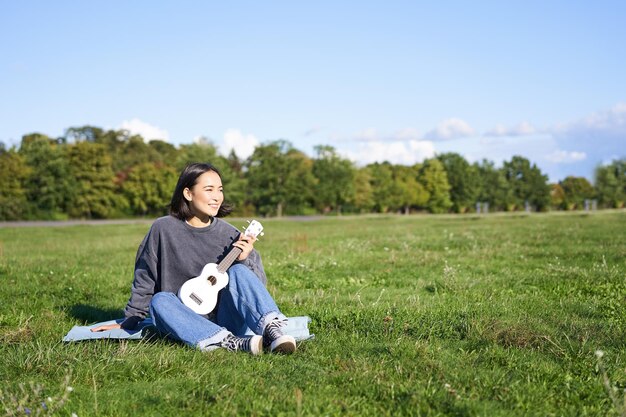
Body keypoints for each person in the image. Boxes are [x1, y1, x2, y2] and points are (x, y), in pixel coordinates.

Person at [92, 162, 296, 355]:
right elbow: (145, 277)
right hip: (182, 320)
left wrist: (244, 258)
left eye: (220, 190)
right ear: (188, 193)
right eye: (209, 190)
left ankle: (273, 331)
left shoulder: (231, 235)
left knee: (238, 271)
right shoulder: (162, 229)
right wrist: (129, 320)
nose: (217, 197)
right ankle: (226, 342)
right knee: (160, 300)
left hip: (227, 318)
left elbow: (257, 289)